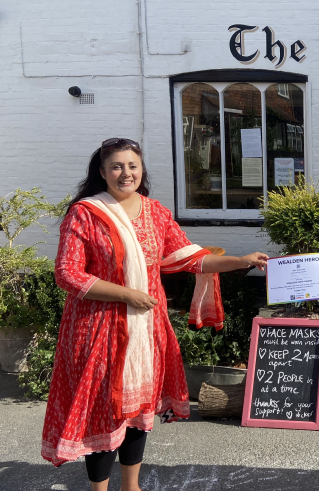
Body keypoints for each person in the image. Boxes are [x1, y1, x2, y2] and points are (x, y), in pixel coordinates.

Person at [41, 138, 268, 491]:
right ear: (102, 172)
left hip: (146, 328)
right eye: (116, 166)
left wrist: (242, 260)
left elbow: (191, 258)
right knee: (104, 409)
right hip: (98, 328)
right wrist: (127, 294)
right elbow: (67, 274)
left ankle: (131, 486)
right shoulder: (85, 214)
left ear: (141, 170)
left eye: (132, 166)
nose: (125, 173)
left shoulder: (155, 213)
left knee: (138, 411)